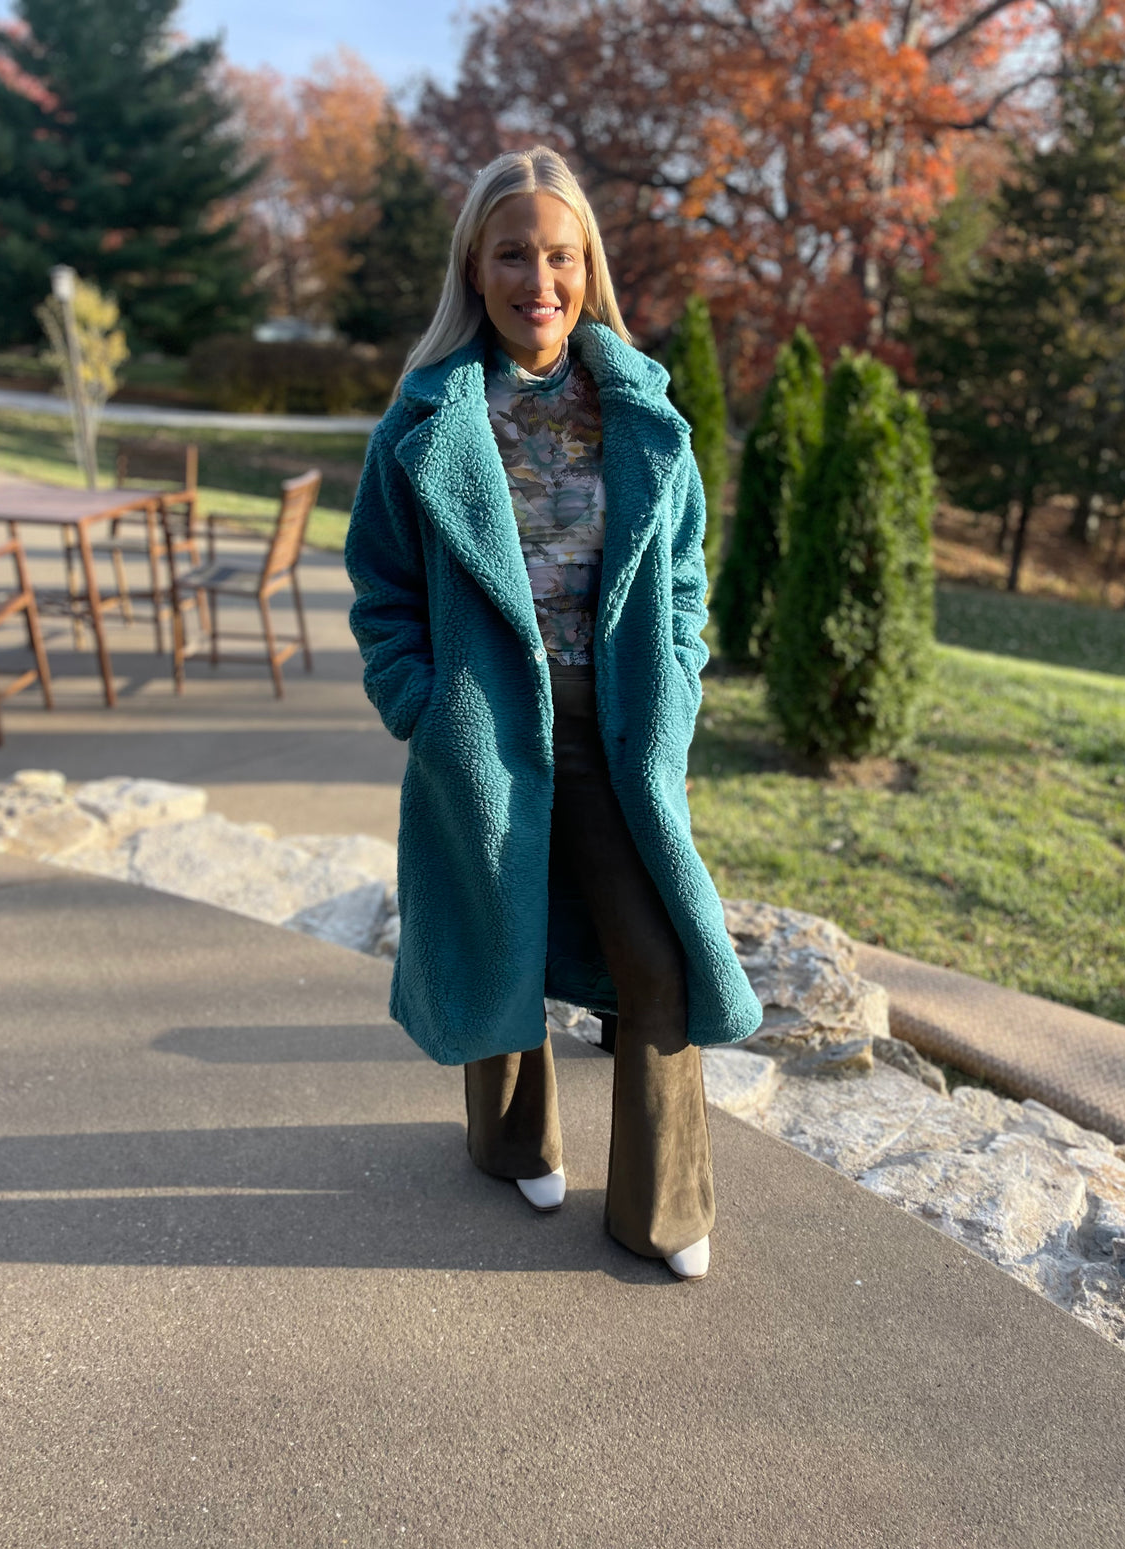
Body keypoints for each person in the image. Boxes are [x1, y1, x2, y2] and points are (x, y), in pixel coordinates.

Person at [344, 146, 762, 1281]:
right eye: (515, 251)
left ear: (590, 267)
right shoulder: (424, 422)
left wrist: (677, 683)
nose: (542, 276)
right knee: (500, 929)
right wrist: (421, 706)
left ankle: (663, 1210)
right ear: (475, 268)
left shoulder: (642, 413)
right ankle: (511, 1138)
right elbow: (381, 590)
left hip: (619, 729)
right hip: (483, 726)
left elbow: (684, 581)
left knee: (657, 957)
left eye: (563, 253)